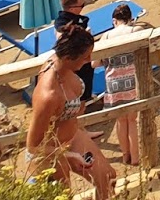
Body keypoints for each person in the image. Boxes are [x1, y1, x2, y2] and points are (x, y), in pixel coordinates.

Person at [25, 23, 114, 200]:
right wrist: (68, 155)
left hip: (72, 136)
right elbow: (33, 145)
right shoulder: (48, 95)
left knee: (108, 178)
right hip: (49, 152)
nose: (89, 60)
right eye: (84, 56)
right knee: (64, 196)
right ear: (68, 56)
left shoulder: (59, 60)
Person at [95, 4, 148, 166]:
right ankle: (136, 158)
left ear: (114, 20)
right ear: (130, 19)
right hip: (132, 79)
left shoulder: (106, 37)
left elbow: (94, 63)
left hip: (114, 82)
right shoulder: (136, 31)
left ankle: (125, 155)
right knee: (132, 120)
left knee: (121, 120)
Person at [53, 0, 95, 103]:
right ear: (72, 9)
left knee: (85, 94)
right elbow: (62, 39)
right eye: (81, 6)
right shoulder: (61, 23)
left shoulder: (79, 20)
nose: (83, 8)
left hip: (84, 62)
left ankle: (85, 101)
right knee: (73, 96)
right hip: (73, 62)